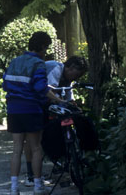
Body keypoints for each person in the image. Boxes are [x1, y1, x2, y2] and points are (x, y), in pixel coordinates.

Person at [24, 54, 89, 183]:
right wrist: (61, 101)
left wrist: (72, 103)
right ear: (69, 68)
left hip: (48, 102)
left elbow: (68, 94)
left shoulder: (67, 77)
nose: (76, 78)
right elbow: (48, 91)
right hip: (34, 102)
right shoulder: (55, 69)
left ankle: (61, 160)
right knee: (35, 137)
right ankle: (30, 171)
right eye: (76, 75)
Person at [4, 31, 53, 195]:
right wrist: (56, 100)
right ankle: (38, 185)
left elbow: (6, 84)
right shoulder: (38, 64)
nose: (46, 51)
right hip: (31, 109)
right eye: (46, 48)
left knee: (17, 149)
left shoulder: (15, 62)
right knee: (36, 147)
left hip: (14, 109)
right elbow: (41, 89)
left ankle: (13, 187)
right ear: (41, 47)